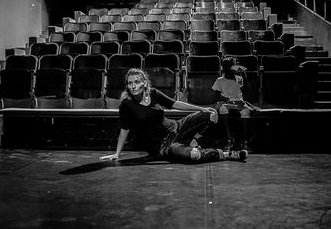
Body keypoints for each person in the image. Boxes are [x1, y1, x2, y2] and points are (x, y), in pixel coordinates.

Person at [100, 68, 247, 163]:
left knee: (209, 114)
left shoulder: (154, 93)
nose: (133, 86)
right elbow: (124, 129)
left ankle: (194, 140)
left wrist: (203, 109)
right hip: (162, 146)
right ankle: (227, 155)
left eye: (137, 82)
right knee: (193, 155)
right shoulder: (127, 105)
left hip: (175, 127)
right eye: (130, 83)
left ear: (144, 83)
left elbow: (175, 104)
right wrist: (117, 154)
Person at [212, 57, 258, 154]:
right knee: (223, 109)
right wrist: (226, 99)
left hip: (239, 102)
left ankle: (245, 142)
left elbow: (245, 91)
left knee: (245, 111)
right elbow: (216, 95)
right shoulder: (220, 80)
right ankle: (229, 139)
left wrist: (243, 75)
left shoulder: (239, 78)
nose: (230, 69)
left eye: (232, 66)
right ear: (224, 69)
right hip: (227, 102)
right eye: (227, 67)